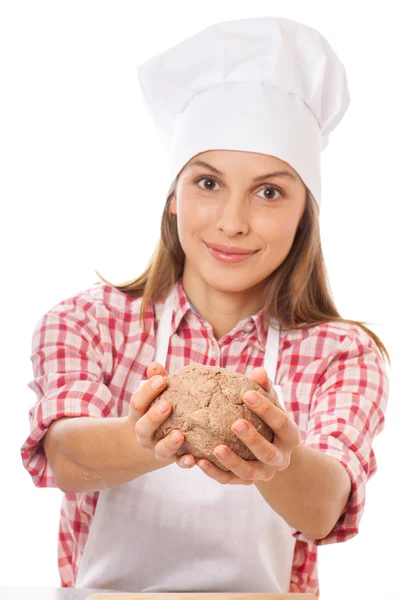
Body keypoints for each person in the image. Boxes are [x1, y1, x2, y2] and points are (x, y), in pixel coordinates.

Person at [21, 16, 390, 599]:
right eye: (208, 183)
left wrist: (279, 460)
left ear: (303, 216)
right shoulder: (86, 324)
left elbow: (324, 511)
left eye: (270, 192)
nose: (232, 222)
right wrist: (145, 436)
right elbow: (66, 459)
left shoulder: (339, 353)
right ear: (172, 198)